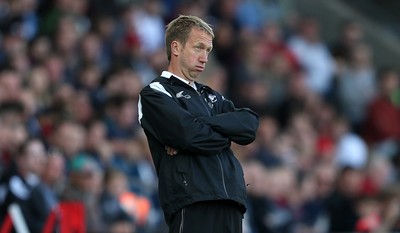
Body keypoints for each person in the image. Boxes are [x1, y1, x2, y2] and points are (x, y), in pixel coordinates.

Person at [137, 15, 259, 233]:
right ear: (176, 47)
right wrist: (225, 133)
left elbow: (249, 125)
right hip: (192, 200)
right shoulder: (155, 92)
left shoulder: (210, 95)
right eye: (198, 47)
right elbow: (188, 135)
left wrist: (200, 122)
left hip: (231, 200)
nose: (204, 57)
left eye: (208, 51)